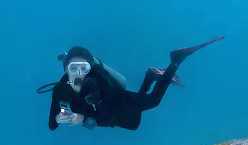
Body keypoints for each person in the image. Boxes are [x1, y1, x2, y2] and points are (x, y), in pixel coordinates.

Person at [38, 36, 223, 131]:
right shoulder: (60, 90)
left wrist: (83, 118)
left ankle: (176, 60)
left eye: (83, 68)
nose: (78, 73)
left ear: (89, 68)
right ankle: (150, 75)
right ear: (65, 69)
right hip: (108, 117)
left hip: (116, 99)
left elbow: (106, 115)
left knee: (152, 101)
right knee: (134, 125)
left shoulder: (97, 83)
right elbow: (51, 125)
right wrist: (58, 118)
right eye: (73, 68)